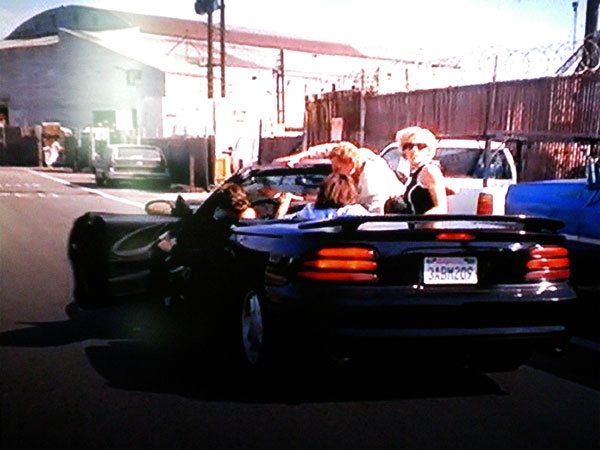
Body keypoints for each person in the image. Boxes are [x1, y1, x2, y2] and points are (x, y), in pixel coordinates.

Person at [273, 141, 404, 214]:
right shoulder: (359, 154)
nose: (335, 174)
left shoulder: (371, 183)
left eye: (338, 169)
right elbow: (330, 148)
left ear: (351, 164)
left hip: (394, 210)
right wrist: (301, 156)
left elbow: (374, 215)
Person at [386, 126, 448, 215]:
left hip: (425, 223)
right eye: (409, 146)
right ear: (403, 152)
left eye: (420, 146)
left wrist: (420, 221)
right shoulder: (415, 173)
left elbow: (440, 208)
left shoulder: (429, 171)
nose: (414, 150)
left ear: (429, 151)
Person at [277, 173, 371, 220]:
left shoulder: (309, 212)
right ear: (351, 192)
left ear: (323, 191)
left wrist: (284, 203)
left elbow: (280, 223)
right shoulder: (355, 212)